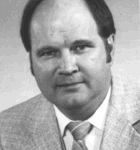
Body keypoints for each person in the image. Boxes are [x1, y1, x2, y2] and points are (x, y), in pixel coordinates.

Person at [0, 0, 140, 149]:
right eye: (49, 53)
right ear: (31, 62)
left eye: (80, 47)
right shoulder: (4, 132)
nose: (67, 68)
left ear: (109, 49)